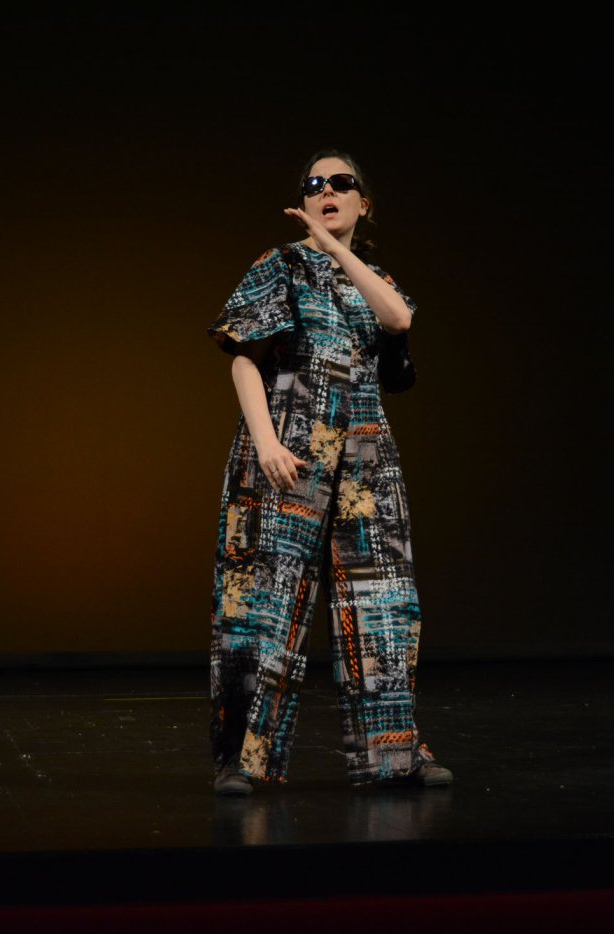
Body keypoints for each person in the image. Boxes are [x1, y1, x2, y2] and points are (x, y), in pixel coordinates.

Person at [206, 149, 452, 795]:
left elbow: (398, 319)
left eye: (341, 183)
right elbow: (243, 357)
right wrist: (265, 442)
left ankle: (396, 754)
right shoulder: (280, 264)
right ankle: (243, 759)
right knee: (265, 605)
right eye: (315, 184)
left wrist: (337, 249)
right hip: (289, 451)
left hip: (366, 461)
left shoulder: (375, 278)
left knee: (384, 606)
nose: (327, 191)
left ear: (363, 204)